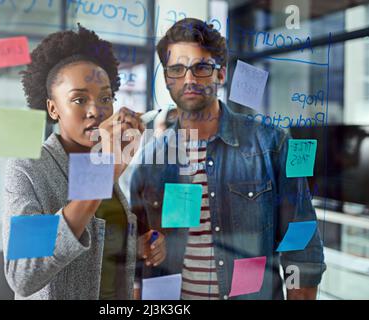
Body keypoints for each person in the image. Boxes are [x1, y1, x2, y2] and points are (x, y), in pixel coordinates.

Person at [130, 18, 326, 300]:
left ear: (220, 75)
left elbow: (302, 250)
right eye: (177, 69)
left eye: (201, 67)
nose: (189, 79)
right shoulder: (152, 160)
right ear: (166, 79)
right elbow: (139, 263)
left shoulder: (273, 143)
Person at [2, 24, 166, 300]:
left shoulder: (105, 161)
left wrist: (138, 246)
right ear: (53, 108)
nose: (96, 111)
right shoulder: (28, 168)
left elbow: (97, 247)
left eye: (105, 98)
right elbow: (22, 275)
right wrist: (102, 178)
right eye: (79, 99)